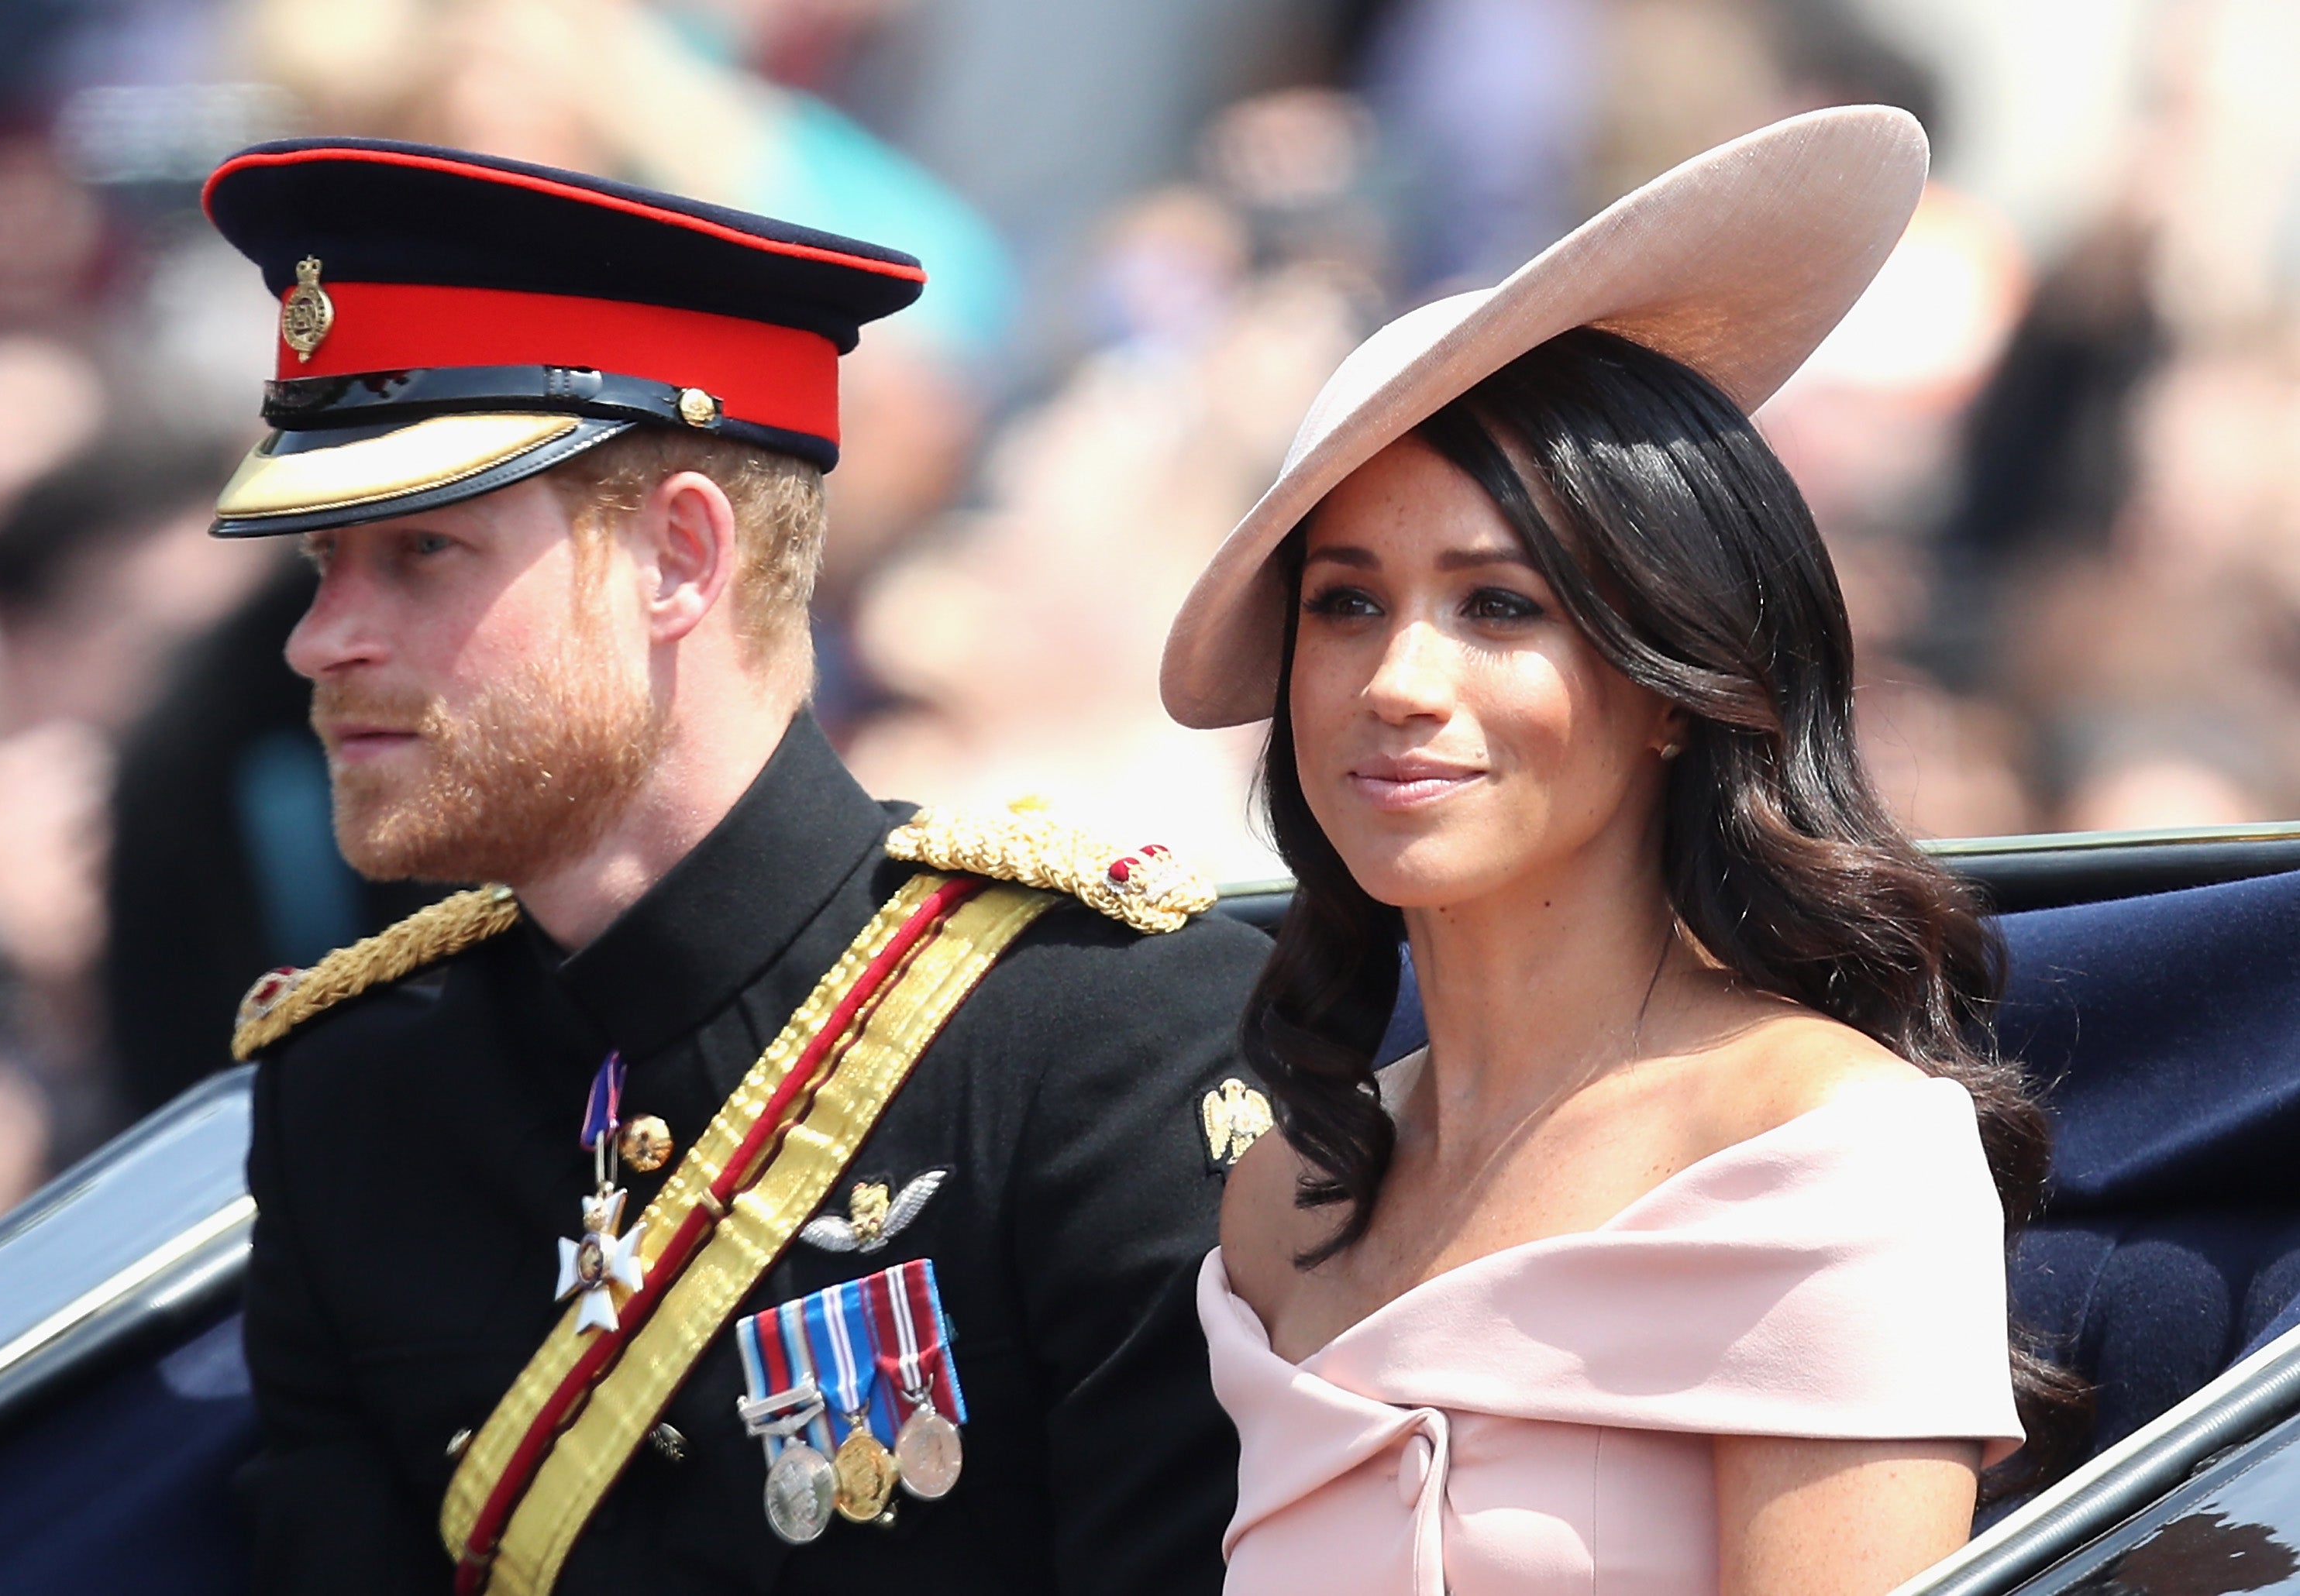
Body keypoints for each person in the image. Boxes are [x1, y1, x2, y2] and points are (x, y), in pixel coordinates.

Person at [199, 139, 1271, 1595]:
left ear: (679, 561)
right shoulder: (354, 1093)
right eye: (323, 566)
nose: (321, 641)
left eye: (421, 552)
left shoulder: (1109, 1035)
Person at [1158, 108, 2064, 1595]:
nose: (1397, 681)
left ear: (1671, 684)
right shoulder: (1280, 1203)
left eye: (1499, 606)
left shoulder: (1822, 1149)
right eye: (1345, 604)